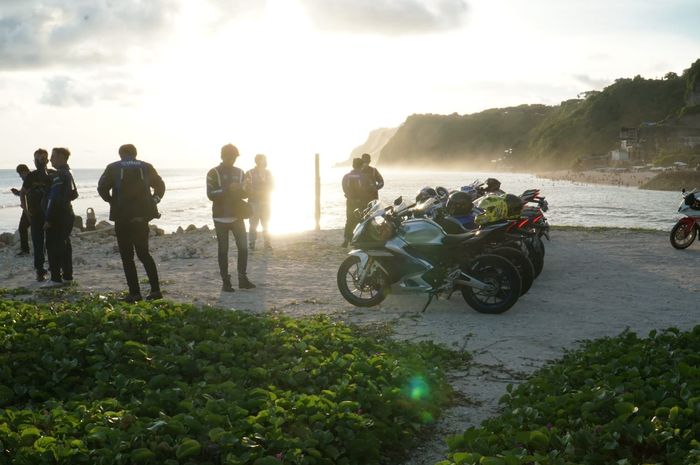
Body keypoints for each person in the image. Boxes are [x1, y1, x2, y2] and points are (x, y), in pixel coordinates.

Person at [97, 144, 165, 302]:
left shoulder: (113, 167)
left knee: (127, 256)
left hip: (122, 217)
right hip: (141, 217)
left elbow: (101, 188)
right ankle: (155, 290)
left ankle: (134, 293)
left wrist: (111, 202)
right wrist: (154, 201)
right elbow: (160, 186)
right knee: (144, 254)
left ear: (121, 154)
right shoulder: (147, 167)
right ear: (135, 153)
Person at [207, 144, 256, 292]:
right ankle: (225, 282)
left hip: (237, 216)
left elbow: (245, 195)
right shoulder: (213, 172)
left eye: (235, 157)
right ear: (222, 156)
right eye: (230, 157)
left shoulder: (240, 172)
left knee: (243, 248)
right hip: (220, 217)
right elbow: (211, 194)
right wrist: (229, 188)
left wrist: (246, 189)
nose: (232, 160)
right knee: (223, 250)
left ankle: (242, 278)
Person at [43, 147, 78, 288]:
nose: (51, 159)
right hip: (67, 213)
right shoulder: (68, 173)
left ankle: (56, 278)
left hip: (58, 215)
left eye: (53, 156)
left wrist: (48, 219)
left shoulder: (59, 175)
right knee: (64, 245)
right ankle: (68, 276)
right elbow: (74, 194)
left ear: (61, 157)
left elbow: (54, 198)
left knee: (52, 245)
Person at [21, 149, 55, 281]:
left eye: (42, 159)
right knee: (37, 243)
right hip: (35, 214)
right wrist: (26, 210)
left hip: (50, 214)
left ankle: (55, 267)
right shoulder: (31, 176)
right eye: (36, 159)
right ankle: (40, 270)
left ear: (47, 160)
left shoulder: (52, 173)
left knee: (52, 242)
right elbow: (23, 193)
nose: (39, 161)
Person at [341, 158, 373, 247]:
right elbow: (369, 188)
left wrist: (348, 195)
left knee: (349, 219)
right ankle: (358, 239)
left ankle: (346, 240)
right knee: (361, 220)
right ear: (361, 165)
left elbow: (344, 187)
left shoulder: (346, 176)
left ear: (353, 165)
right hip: (361, 201)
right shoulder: (364, 176)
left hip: (350, 201)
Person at [246, 154, 274, 250]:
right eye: (263, 159)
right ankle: (252, 242)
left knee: (266, 223)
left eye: (265, 159)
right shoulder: (250, 173)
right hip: (254, 202)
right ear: (257, 161)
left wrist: (264, 191)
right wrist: (258, 192)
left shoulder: (268, 173)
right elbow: (247, 188)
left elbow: (273, 186)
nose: (265, 161)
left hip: (266, 201)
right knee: (253, 223)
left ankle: (267, 242)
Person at [11, 164, 31, 256]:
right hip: (27, 208)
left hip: (32, 209)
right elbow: (25, 193)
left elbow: (28, 193)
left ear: (24, 172)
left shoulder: (30, 179)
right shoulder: (29, 179)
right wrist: (17, 193)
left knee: (24, 228)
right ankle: (25, 250)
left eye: (20, 174)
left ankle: (26, 250)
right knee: (22, 228)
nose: (20, 176)